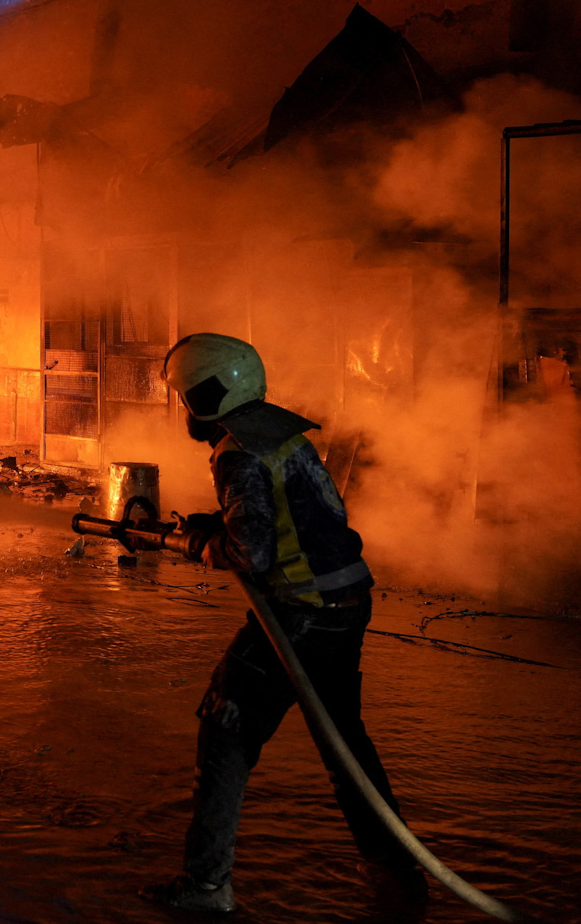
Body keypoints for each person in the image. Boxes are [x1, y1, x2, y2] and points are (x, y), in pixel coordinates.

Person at [145, 333, 421, 915]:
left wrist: (208, 543)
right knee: (346, 748)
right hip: (343, 605)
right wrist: (215, 522)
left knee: (225, 729)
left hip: (299, 616)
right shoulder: (280, 434)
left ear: (203, 396)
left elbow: (255, 553)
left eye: (184, 397)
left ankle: (205, 887)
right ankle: (399, 880)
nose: (183, 410)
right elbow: (299, 514)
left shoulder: (237, 452)